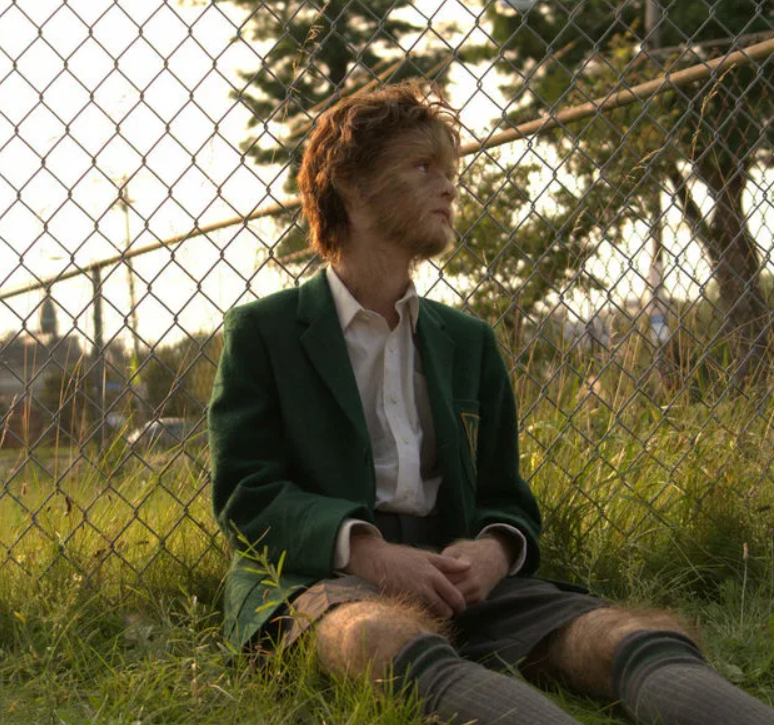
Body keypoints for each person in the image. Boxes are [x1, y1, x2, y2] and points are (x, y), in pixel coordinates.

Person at [208, 80, 774, 725]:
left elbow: (506, 495)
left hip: (455, 575)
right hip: (319, 576)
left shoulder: (468, 341)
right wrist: (368, 553)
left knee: (627, 636)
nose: (449, 188)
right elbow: (246, 493)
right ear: (352, 189)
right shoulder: (265, 331)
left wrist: (494, 552)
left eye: (450, 171)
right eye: (423, 167)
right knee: (377, 638)